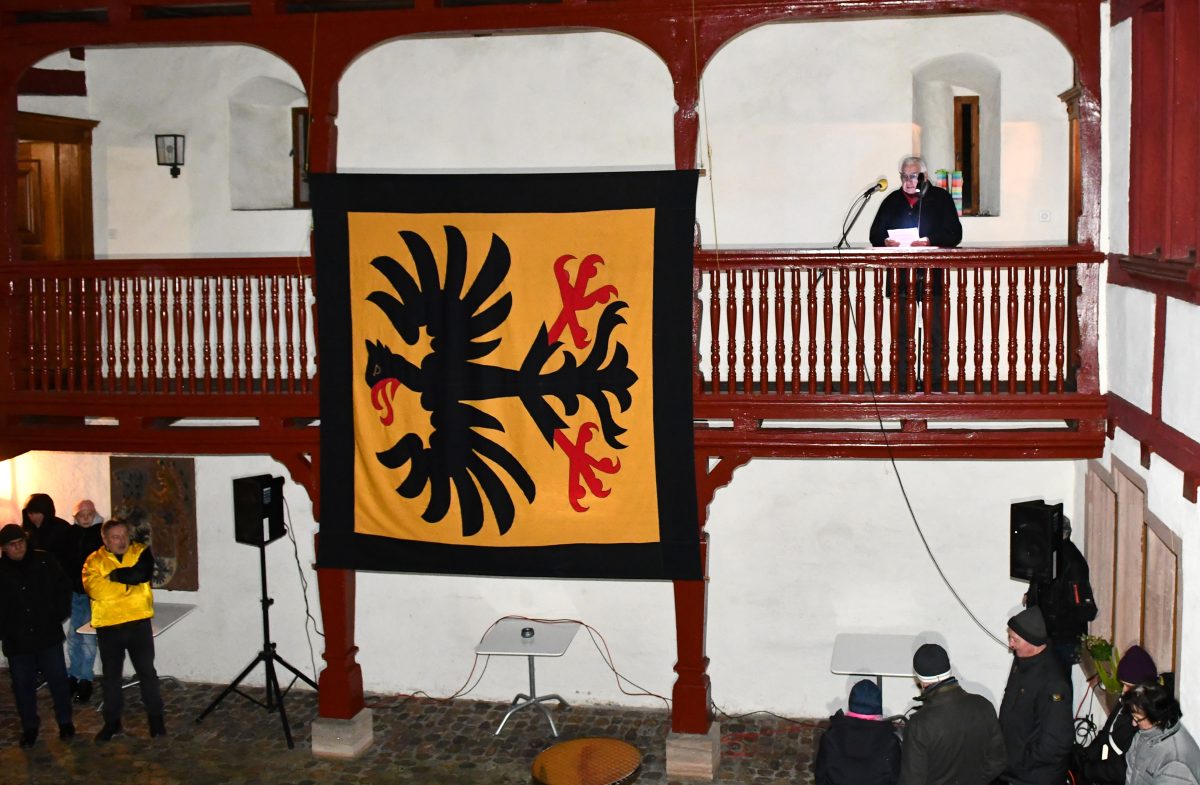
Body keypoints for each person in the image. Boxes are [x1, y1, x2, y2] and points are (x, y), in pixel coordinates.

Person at [868, 156, 962, 391]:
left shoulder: (941, 198)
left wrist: (930, 241)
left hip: (933, 277)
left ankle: (935, 384)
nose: (908, 181)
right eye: (904, 176)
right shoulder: (891, 201)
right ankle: (903, 384)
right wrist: (885, 242)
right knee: (902, 334)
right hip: (901, 278)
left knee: (935, 333)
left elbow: (955, 234)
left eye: (913, 176)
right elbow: (875, 234)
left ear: (924, 176)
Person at [83, 517, 166, 741]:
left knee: (147, 673)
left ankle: (156, 720)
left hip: (138, 624)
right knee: (111, 677)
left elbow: (142, 574)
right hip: (109, 626)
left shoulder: (140, 552)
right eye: (115, 537)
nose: (121, 541)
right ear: (105, 539)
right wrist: (129, 587)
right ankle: (112, 723)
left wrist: (114, 578)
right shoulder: (93, 561)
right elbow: (96, 591)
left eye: (124, 536)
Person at [0, 523, 75, 747]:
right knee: (22, 686)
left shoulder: (44, 560)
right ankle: (29, 727)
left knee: (58, 681)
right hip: (17, 639)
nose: (18, 547)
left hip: (46, 634)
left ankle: (65, 722)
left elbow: (63, 588)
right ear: (4, 548)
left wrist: (56, 616)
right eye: (12, 545)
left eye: (21, 542)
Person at [897, 643, 1006, 785]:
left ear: (921, 681)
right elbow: (998, 761)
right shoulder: (984, 705)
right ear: (949, 670)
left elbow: (912, 780)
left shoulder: (919, 724)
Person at [998, 607, 1073, 785]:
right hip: (1012, 770)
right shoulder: (1021, 660)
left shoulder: (1054, 683)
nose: (1010, 644)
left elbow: (1056, 743)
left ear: (1033, 643)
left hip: (1033, 777)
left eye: (1015, 640)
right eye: (1009, 637)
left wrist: (1019, 762)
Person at [1070, 644, 1158, 785]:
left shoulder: (1146, 719)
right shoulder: (1126, 701)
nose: (1123, 691)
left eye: (1129, 686)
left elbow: (1124, 767)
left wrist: (1088, 770)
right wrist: (1086, 756)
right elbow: (1106, 733)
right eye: (1123, 685)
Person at [1024, 516, 1097, 673]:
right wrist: (1032, 595)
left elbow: (1084, 608)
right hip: (1049, 634)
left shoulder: (1072, 561)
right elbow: (1046, 584)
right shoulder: (1051, 554)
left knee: (1058, 683)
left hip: (1062, 639)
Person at [815, 678, 901, 785]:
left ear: (851, 703)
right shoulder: (890, 742)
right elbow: (895, 778)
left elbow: (821, 774)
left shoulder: (831, 737)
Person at [1122, 681, 1200, 784]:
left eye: (1137, 719)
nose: (1133, 723)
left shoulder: (1176, 764)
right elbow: (1130, 772)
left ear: (1157, 719)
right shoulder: (1144, 734)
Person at [67, 499, 105, 704]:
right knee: (74, 635)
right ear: (76, 516)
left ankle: (85, 679)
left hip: (93, 593)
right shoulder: (71, 534)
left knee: (89, 637)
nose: (86, 518)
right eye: (82, 515)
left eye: (89, 514)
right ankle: (73, 675)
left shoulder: (101, 534)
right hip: (75, 591)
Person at [21, 493, 75, 574]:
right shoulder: (25, 529)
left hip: (57, 575)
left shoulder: (62, 528)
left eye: (37, 513)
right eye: (30, 513)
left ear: (46, 512)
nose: (33, 517)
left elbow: (69, 559)